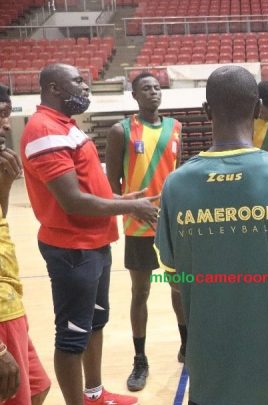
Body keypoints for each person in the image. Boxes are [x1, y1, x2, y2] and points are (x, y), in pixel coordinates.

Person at [154, 65, 268, 405]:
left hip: (212, 377)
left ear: (206, 111)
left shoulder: (175, 184)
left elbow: (176, 281)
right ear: (257, 109)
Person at [20, 63, 158, 405]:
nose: (86, 86)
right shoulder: (44, 130)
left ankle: (94, 393)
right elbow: (72, 201)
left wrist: (119, 199)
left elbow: (86, 186)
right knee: (72, 335)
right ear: (54, 88)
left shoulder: (64, 127)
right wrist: (130, 209)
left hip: (93, 244)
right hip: (72, 250)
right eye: (78, 81)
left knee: (95, 322)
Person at [104, 72, 186, 392]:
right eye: (145, 89)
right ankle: (140, 359)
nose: (153, 92)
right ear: (134, 96)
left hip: (172, 223)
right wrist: (130, 209)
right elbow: (112, 189)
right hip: (138, 226)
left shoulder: (176, 127)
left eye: (156, 87)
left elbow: (178, 175)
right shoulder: (120, 131)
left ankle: (187, 345)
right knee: (141, 293)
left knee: (180, 288)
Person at [0, 84, 51, 405]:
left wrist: (4, 186)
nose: (6, 123)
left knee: (39, 388)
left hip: (11, 302)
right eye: (1, 115)